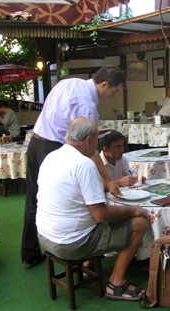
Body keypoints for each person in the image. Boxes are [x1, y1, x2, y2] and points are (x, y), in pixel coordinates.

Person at [21, 65, 125, 268]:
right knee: (70, 197)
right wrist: (109, 179)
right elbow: (90, 149)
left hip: (35, 143)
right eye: (115, 90)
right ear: (104, 84)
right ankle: (77, 245)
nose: (114, 95)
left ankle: (29, 252)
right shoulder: (88, 107)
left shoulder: (68, 82)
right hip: (53, 147)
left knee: (36, 198)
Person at [36, 118, 149, 301]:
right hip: (71, 243)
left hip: (45, 236)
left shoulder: (51, 157)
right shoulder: (84, 164)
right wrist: (132, 209)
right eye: (96, 141)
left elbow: (75, 192)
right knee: (140, 222)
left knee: (117, 216)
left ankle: (90, 267)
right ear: (88, 140)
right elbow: (100, 215)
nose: (96, 146)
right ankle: (116, 283)